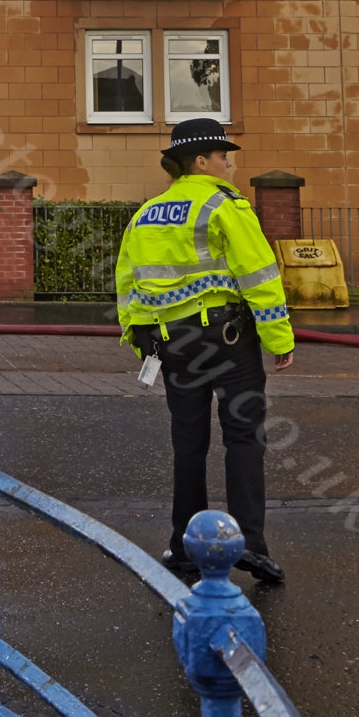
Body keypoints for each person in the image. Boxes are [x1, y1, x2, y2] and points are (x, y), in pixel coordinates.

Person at [115, 117, 295, 585]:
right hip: (226, 340)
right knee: (244, 439)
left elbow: (126, 282)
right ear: (200, 160)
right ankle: (250, 547)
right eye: (222, 155)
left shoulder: (147, 212)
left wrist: (136, 336)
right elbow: (258, 274)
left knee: (188, 443)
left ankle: (184, 548)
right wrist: (279, 339)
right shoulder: (224, 205)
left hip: (169, 343)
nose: (230, 162)